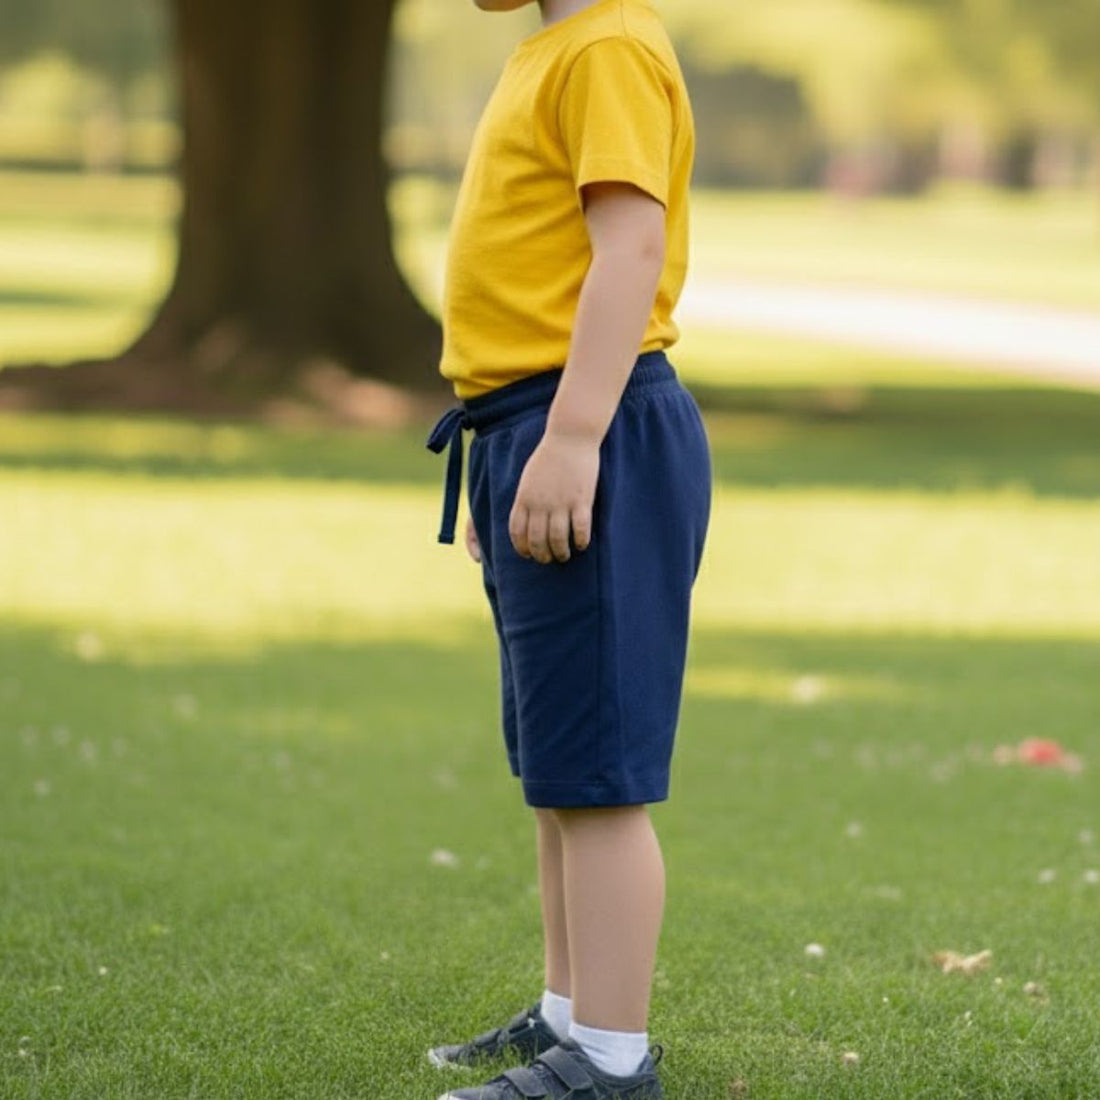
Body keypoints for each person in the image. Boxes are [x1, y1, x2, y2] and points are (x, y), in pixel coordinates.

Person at [424, 0, 710, 1096]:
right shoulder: (552, 48)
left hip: (588, 427)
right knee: (559, 762)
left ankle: (608, 1056)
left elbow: (629, 245)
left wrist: (573, 438)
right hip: (527, 430)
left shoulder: (608, 47)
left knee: (598, 775)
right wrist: (514, 454)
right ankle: (567, 1016)